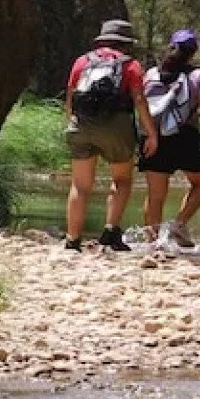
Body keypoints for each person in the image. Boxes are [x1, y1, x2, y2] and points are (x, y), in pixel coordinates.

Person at [63, 19, 157, 252]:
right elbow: (139, 100)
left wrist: (73, 120)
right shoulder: (131, 65)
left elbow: (71, 95)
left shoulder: (82, 61)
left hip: (81, 124)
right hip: (117, 126)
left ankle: (73, 239)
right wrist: (151, 133)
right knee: (122, 179)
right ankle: (109, 231)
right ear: (126, 43)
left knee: (80, 185)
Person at [139, 28, 200, 251]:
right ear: (193, 53)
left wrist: (147, 135)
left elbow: (141, 106)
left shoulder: (151, 74)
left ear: (170, 47)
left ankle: (153, 244)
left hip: (154, 137)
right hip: (186, 138)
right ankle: (179, 223)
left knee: (156, 195)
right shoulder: (199, 77)